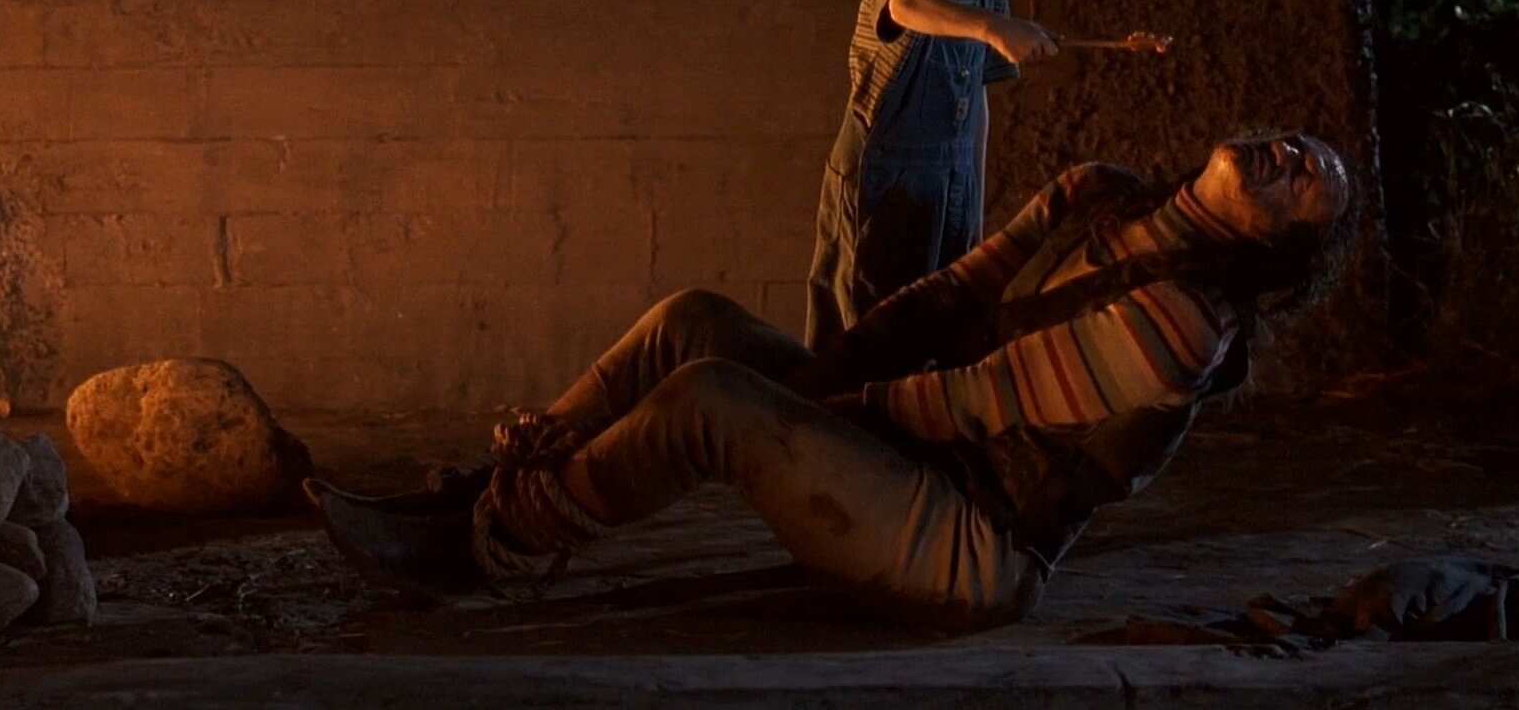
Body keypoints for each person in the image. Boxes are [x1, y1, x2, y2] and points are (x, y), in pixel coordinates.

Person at [309, 131, 1359, 631]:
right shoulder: (1116, 214)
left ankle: (488, 547)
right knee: (694, 323)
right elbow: (946, 304)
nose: (1294, 152)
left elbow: (970, 400)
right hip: (913, 457)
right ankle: (488, 488)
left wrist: (798, 411)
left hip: (968, 544)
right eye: (1300, 143)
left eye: (1312, 180)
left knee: (713, 399)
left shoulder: (1190, 322)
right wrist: (1043, 213)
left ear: (1281, 248)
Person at [804, 0, 1066, 358]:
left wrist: (973, 194)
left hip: (950, 184)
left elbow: (978, 101)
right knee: (869, 329)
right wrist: (991, 28)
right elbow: (904, 5)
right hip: (885, 180)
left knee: (941, 324)